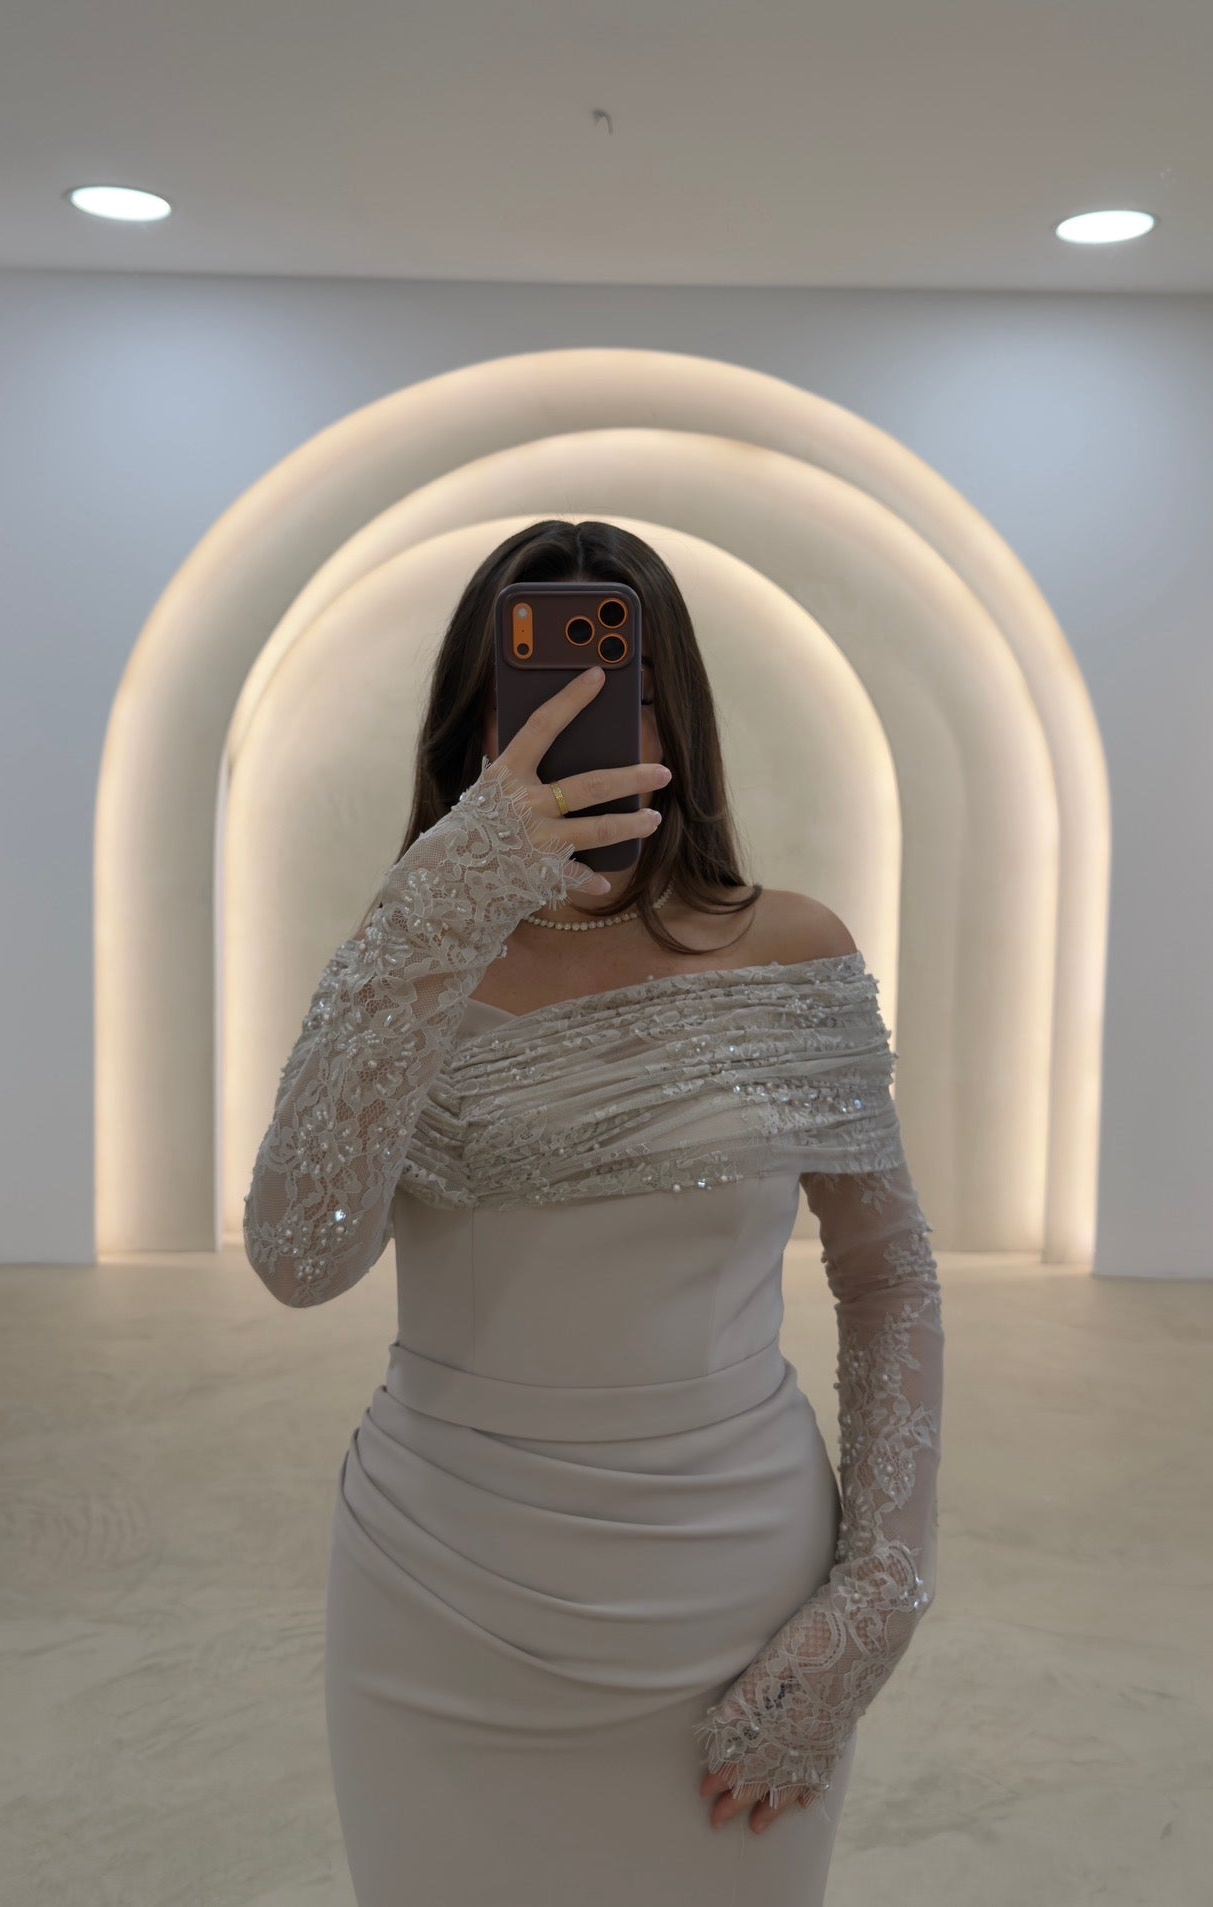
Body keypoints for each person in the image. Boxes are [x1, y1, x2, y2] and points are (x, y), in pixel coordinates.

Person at [243, 521, 944, 1906]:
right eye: (530, 696)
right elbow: (298, 1254)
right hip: (438, 1599)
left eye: (618, 689)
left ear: (676, 717)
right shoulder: (407, 957)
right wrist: (435, 912)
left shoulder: (793, 952)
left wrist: (882, 1590)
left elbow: (887, 1275)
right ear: (471, 730)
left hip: (734, 1597)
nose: (574, 726)